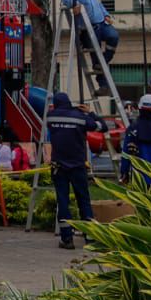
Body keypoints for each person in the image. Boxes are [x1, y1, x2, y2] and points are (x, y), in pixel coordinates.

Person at [46, 91, 102, 250]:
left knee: (63, 201)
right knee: (83, 200)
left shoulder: (51, 117)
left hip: (59, 167)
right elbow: (101, 127)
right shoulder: (79, 117)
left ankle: (67, 238)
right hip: (78, 166)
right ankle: (89, 237)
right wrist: (89, 113)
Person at [61, 0, 118, 69]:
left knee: (113, 36)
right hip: (90, 28)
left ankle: (105, 60)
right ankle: (102, 81)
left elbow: (99, 5)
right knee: (97, 55)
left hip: (103, 23)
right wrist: (75, 3)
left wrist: (106, 15)